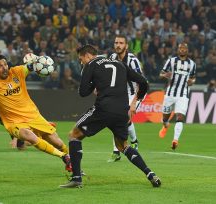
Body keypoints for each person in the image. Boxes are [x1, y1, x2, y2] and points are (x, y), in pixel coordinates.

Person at [60, 45, 161, 188]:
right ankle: (151, 174)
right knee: (123, 146)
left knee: (74, 135)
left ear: (88, 55)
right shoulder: (120, 64)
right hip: (122, 111)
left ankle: (76, 178)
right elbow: (143, 82)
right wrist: (136, 100)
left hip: (103, 109)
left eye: (81, 59)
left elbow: (83, 92)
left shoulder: (90, 65)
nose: (81, 62)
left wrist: (94, 83)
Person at [0, 54, 72, 172]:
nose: (4, 68)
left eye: (5, 64)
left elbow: (31, 66)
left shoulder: (17, 71)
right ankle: (63, 156)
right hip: (14, 122)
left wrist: (36, 59)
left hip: (33, 116)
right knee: (30, 137)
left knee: (57, 142)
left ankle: (72, 162)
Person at [107, 34, 143, 162]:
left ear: (126, 46)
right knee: (119, 120)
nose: (118, 45)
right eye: (116, 42)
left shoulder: (133, 60)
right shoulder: (111, 58)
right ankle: (134, 141)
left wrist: (134, 102)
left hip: (134, 93)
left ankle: (116, 151)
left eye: (121, 43)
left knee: (121, 118)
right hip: (119, 94)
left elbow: (141, 82)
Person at [159, 43, 196, 150]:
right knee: (165, 118)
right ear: (178, 50)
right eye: (181, 48)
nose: (183, 50)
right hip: (170, 93)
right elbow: (161, 73)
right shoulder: (171, 61)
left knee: (180, 117)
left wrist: (191, 82)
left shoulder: (192, 64)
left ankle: (175, 140)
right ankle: (165, 125)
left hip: (183, 94)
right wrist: (165, 75)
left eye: (184, 48)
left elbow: (193, 77)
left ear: (187, 50)